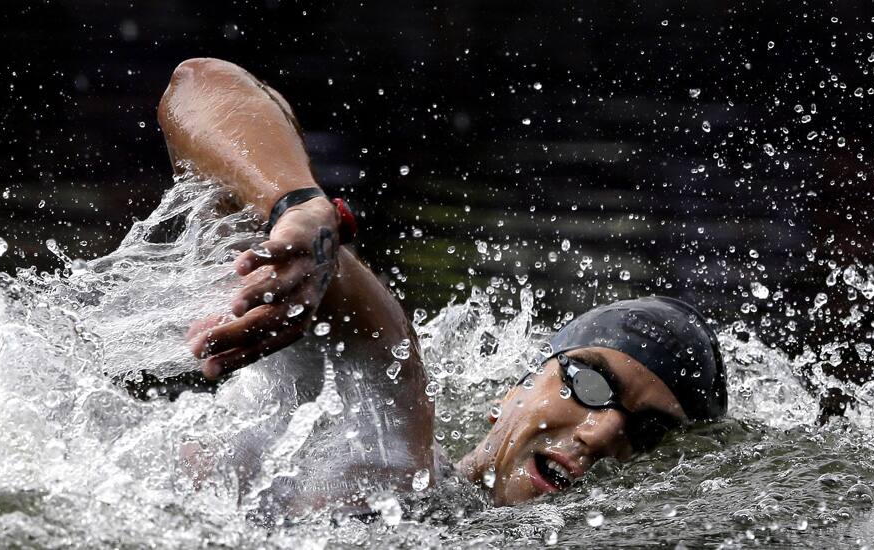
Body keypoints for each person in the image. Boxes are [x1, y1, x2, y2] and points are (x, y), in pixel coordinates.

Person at [157, 58, 728, 511]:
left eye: (649, 432)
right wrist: (299, 209)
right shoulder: (387, 428)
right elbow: (200, 84)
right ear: (513, 391)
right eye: (590, 386)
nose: (602, 433)